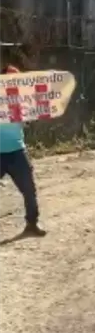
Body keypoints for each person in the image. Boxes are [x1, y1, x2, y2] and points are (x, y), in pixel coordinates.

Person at [0, 61, 46, 236]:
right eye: (10, 78)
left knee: (29, 190)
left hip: (17, 151)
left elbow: (28, 121)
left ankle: (32, 223)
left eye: (17, 78)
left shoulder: (23, 101)